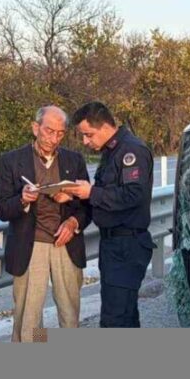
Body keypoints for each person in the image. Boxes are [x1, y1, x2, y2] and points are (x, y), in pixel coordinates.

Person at [0, 106, 92, 342]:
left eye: (60, 133)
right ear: (35, 127)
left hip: (65, 243)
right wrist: (22, 200)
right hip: (31, 245)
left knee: (69, 314)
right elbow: (1, 209)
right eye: (49, 131)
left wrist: (72, 222)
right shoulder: (11, 161)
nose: (54, 138)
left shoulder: (74, 160)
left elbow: (88, 206)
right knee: (30, 316)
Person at [61, 102, 155, 328]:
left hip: (127, 245)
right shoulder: (111, 151)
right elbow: (109, 193)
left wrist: (91, 192)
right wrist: (82, 194)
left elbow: (133, 194)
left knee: (114, 320)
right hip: (113, 245)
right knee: (124, 316)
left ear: (104, 127)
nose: (85, 141)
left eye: (88, 135)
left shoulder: (130, 151)